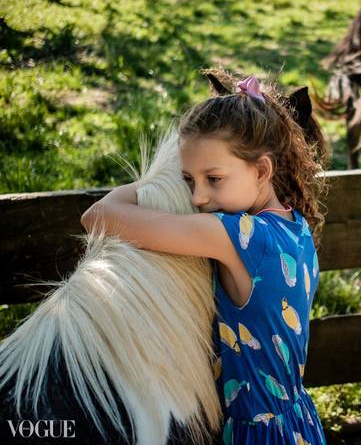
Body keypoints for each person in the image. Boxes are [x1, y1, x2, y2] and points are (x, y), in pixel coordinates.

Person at [81, 73, 327, 445]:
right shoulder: (297, 228)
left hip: (254, 434)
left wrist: (152, 184)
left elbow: (97, 216)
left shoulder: (238, 236)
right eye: (187, 180)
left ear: (262, 171)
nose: (197, 198)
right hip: (298, 422)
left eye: (213, 178)